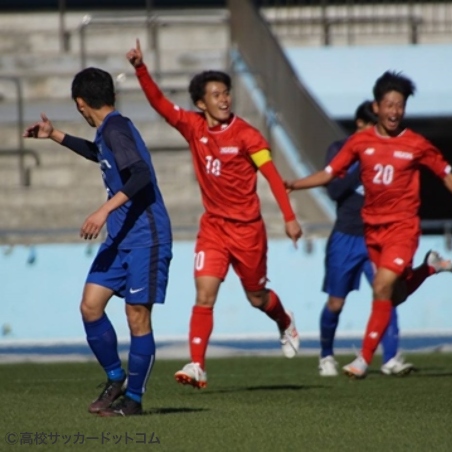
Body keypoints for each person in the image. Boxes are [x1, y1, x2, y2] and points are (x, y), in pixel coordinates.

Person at [287, 71, 452, 379]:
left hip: (403, 228)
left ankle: (364, 360)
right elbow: (329, 173)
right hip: (372, 231)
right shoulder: (360, 142)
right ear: (377, 107)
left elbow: (446, 175)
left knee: (381, 287)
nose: (395, 111)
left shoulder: (416, 144)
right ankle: (430, 268)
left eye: (400, 105)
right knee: (395, 295)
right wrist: (295, 184)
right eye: (389, 104)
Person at [126, 39, 301, 389]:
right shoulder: (193, 127)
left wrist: (289, 216)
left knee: (257, 298)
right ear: (200, 103)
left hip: (248, 231)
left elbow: (272, 176)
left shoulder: (248, 136)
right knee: (204, 295)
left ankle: (284, 320)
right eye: (216, 94)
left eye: (226, 93)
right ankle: (197, 365)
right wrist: (141, 69)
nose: (224, 99)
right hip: (214, 229)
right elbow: (161, 105)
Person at [23, 67, 173, 416]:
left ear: (80, 103)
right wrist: (54, 135)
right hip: (120, 238)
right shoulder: (110, 130)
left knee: (137, 316)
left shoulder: (117, 129)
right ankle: (115, 377)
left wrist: (103, 210)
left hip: (145, 238)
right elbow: (99, 155)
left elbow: (140, 175)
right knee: (91, 306)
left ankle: (133, 401)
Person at [319, 100, 452, 377]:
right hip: (346, 235)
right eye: (368, 126)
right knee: (336, 302)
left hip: (383, 234)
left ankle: (391, 357)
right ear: (359, 125)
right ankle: (326, 356)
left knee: (387, 294)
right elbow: (333, 190)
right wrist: (365, 160)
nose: (374, 132)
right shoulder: (342, 150)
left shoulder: (395, 149)